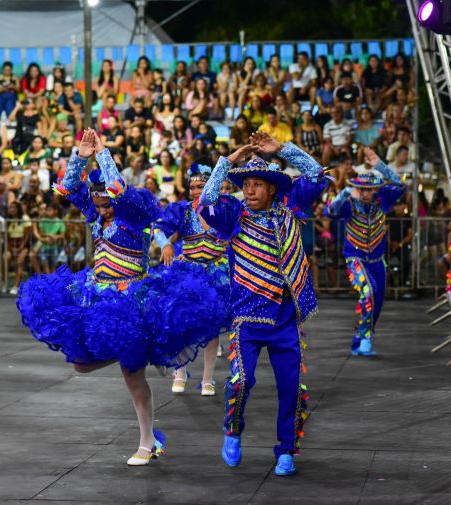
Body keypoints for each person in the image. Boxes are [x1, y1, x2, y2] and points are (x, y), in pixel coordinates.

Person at [17, 130, 227, 466]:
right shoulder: (96, 213)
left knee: (133, 375)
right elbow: (69, 188)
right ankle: (131, 351)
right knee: (80, 364)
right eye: (97, 204)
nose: (101, 209)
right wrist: (81, 156)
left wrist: (105, 156)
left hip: (133, 299)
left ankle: (147, 440)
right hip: (98, 294)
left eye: (105, 204)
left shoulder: (134, 211)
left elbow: (123, 194)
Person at [198, 131, 328, 476]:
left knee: (291, 389)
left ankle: (286, 449)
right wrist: (227, 163)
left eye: (257, 184)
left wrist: (284, 150)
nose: (250, 190)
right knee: (240, 382)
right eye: (246, 184)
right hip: (246, 319)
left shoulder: (290, 208)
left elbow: (317, 175)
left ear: (273, 188)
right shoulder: (233, 214)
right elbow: (205, 203)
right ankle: (232, 431)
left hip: (286, 319)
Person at [152, 161, 231, 396]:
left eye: (202, 186)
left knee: (213, 328)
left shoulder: (224, 209)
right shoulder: (184, 210)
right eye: (193, 187)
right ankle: (180, 371)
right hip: (189, 273)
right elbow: (158, 229)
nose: (197, 191)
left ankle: (207, 379)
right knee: (182, 323)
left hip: (216, 274)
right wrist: (166, 244)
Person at [327, 147, 406, 356]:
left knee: (377, 302)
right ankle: (365, 339)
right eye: (361, 190)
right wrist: (343, 194)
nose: (365, 194)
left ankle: (361, 337)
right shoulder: (349, 203)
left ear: (375, 190)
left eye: (369, 190)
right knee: (368, 293)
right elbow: (331, 211)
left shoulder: (383, 198)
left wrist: (380, 164)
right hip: (355, 258)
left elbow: (401, 183)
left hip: (378, 260)